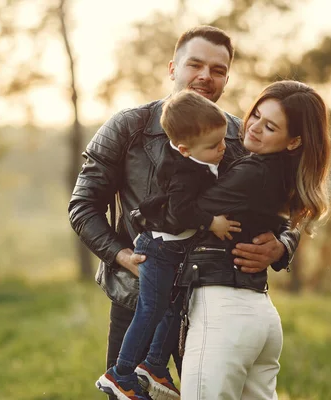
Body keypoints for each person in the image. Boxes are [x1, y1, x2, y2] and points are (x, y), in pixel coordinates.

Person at [68, 25, 300, 400]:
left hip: (212, 301)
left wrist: (282, 246)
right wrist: (122, 256)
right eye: (195, 65)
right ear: (172, 68)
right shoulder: (129, 127)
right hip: (140, 295)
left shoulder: (244, 137)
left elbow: (285, 211)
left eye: (218, 70)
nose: (206, 76)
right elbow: (82, 206)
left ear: (227, 78)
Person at [178, 80, 331, 399]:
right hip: (258, 316)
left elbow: (184, 213)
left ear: (294, 142)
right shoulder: (284, 173)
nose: (255, 127)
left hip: (223, 311)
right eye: (257, 115)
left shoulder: (252, 172)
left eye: (270, 126)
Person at [95, 90, 242, 400]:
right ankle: (120, 374)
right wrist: (211, 222)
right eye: (214, 145)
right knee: (151, 311)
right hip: (160, 250)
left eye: (224, 141)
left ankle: (154, 366)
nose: (223, 148)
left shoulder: (195, 161)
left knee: (170, 310)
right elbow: (180, 210)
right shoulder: (184, 171)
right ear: (185, 149)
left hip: (170, 251)